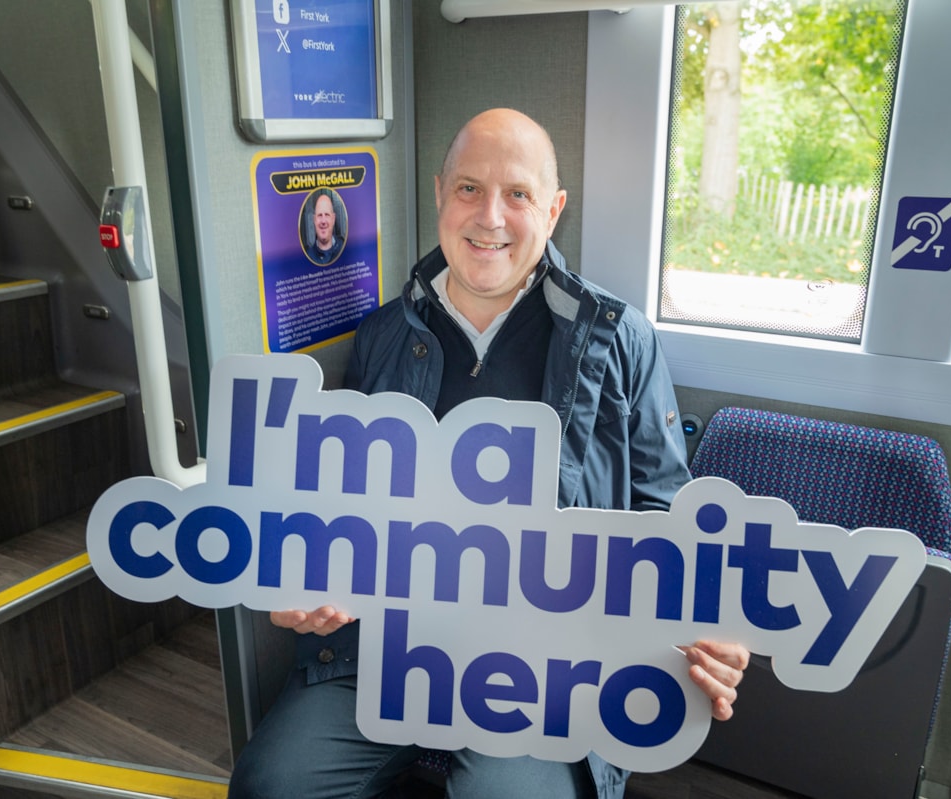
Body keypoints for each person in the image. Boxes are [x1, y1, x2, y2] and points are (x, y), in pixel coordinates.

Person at [229, 108, 750, 799]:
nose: (490, 217)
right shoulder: (383, 334)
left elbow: (668, 512)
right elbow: (340, 506)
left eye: (519, 195)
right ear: (440, 193)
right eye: (470, 189)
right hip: (384, 650)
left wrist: (710, 623)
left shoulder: (619, 339)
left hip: (547, 667)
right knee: (270, 786)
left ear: (554, 209)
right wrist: (305, 578)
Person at [304, 189, 345, 265]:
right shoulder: (307, 257)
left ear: (333, 219)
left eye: (327, 215)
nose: (323, 221)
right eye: (319, 215)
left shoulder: (345, 248)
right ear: (314, 220)